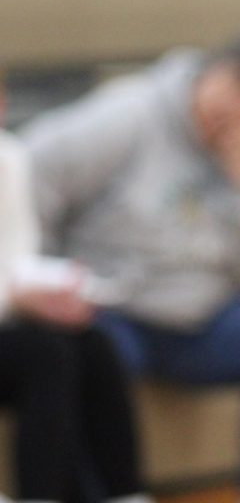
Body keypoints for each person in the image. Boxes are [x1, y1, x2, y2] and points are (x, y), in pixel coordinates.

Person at [22, 32, 240, 502]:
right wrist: (38, 272)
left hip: (206, 320)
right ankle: (97, 494)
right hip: (115, 308)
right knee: (79, 351)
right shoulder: (131, 113)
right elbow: (28, 174)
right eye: (236, 85)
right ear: (211, 70)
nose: (238, 106)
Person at [0, 76, 150, 503]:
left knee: (92, 342)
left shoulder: (9, 159)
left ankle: (127, 493)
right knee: (46, 354)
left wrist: (59, 285)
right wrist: (14, 296)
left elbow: (16, 257)